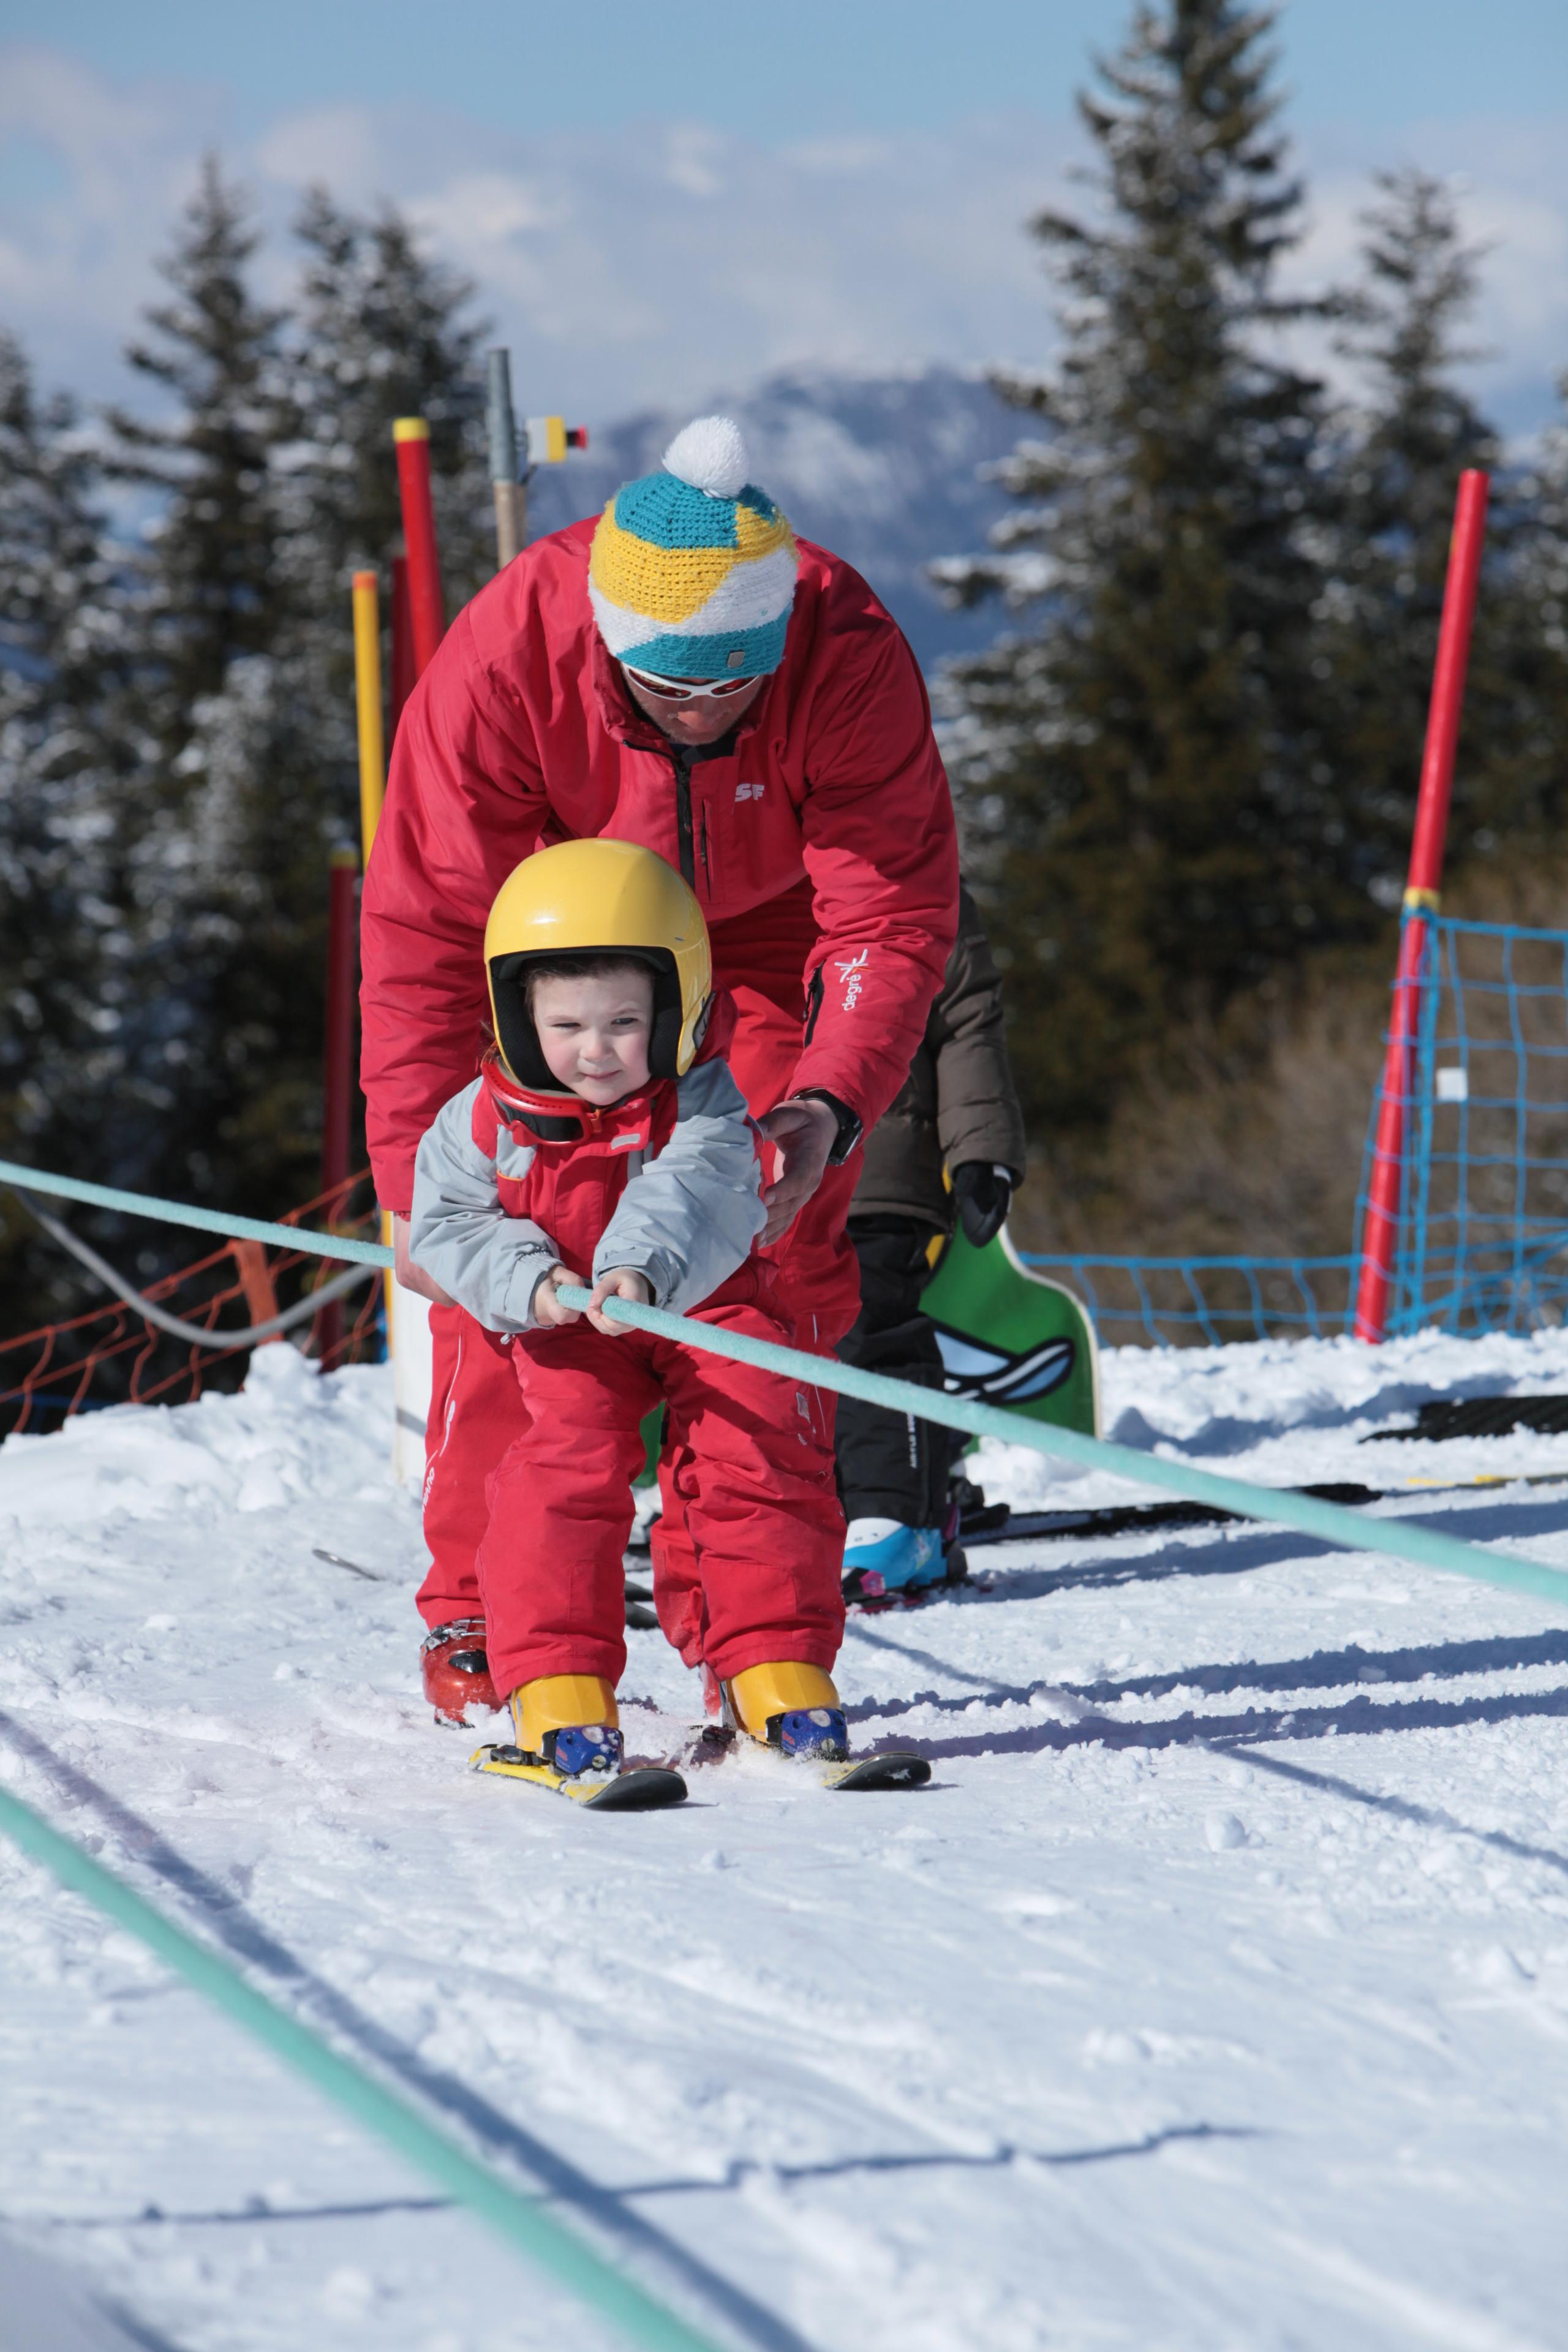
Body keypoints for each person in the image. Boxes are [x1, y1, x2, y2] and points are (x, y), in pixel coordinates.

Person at [360, 414, 957, 1721]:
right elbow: (425, 927)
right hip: (568, 944)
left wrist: (828, 1101)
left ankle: (749, 1620)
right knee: (507, 1261)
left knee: (772, 1253)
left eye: (735, 686)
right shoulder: (509, 654)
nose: (705, 713)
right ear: (612, 645)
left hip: (768, 938)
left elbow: (890, 911)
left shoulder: (842, 644)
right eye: (671, 689)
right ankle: (484, 1605)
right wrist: (415, 1179)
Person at [407, 838, 850, 1787]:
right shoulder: (479, 1120)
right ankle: (556, 1682)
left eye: (624, 1021)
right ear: (519, 1016)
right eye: (566, 1024)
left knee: (759, 1425)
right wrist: (531, 1283)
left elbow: (696, 1188)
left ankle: (770, 1660)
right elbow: (447, 1225)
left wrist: (638, 1273)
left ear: (673, 1011)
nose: (596, 1050)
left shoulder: (704, 1100)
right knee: (561, 1462)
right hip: (567, 1323)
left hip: (695, 1301)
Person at [837, 883, 1026, 1599]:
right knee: (766, 1340)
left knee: (868, 1324)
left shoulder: (908, 872)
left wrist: (981, 1152)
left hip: (880, 1154)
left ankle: (896, 1517)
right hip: (749, 1157)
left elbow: (966, 1018)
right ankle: (792, 1511)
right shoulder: (719, 862)